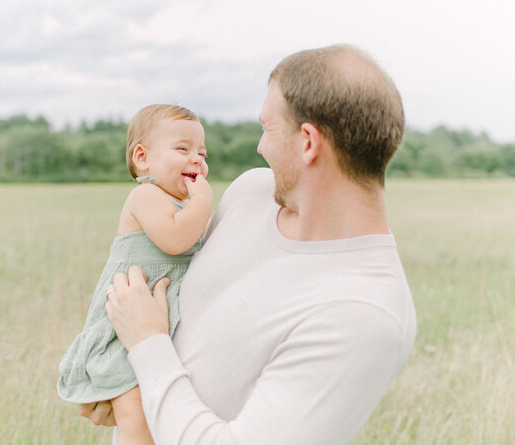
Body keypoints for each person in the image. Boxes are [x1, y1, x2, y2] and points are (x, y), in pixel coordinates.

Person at [85, 44, 417, 444]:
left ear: (308, 142)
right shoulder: (251, 193)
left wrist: (146, 346)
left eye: (268, 129)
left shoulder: (364, 314)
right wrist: (116, 378)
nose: (260, 147)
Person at [58, 104, 213, 444]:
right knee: (134, 412)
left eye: (202, 153)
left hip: (154, 326)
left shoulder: (180, 207)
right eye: (183, 149)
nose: (197, 160)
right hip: (123, 329)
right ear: (142, 158)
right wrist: (202, 201)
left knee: (158, 410)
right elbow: (175, 240)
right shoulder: (146, 195)